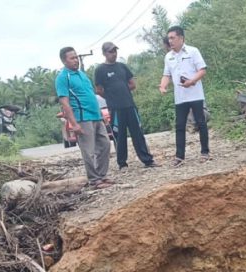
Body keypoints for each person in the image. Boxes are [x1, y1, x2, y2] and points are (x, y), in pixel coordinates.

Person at [55, 47, 114, 189]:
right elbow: (65, 103)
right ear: (64, 60)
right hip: (82, 118)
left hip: (96, 116)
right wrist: (73, 123)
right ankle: (94, 180)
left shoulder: (82, 75)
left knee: (105, 144)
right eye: (72, 58)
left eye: (76, 57)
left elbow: (92, 96)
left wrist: (101, 115)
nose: (75, 60)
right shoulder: (63, 78)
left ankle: (102, 175)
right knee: (89, 150)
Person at [95, 42, 158, 170]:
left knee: (138, 134)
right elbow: (99, 89)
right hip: (116, 108)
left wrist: (123, 90)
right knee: (120, 136)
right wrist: (111, 96)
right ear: (104, 53)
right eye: (110, 51)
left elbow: (132, 84)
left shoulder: (122, 67)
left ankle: (147, 160)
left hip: (130, 105)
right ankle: (122, 163)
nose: (113, 53)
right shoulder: (100, 70)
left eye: (114, 51)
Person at [159, 26, 209, 167]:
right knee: (180, 125)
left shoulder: (193, 51)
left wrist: (192, 81)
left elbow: (202, 70)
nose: (170, 41)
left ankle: (205, 152)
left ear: (181, 38)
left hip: (195, 94)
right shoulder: (168, 56)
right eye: (169, 38)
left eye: (173, 38)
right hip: (180, 97)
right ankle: (179, 156)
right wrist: (163, 86)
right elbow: (166, 74)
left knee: (201, 122)